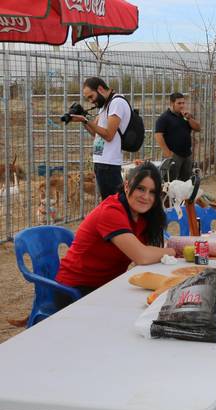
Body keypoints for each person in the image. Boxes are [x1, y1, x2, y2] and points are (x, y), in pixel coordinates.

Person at [54, 162, 175, 309]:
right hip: (75, 289)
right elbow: (142, 256)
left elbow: (147, 254)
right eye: (140, 188)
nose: (146, 196)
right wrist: (173, 251)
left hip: (107, 285)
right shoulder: (111, 211)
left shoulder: (143, 216)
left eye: (152, 192)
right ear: (127, 186)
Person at [71, 77, 130, 200]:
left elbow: (108, 135)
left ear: (100, 89)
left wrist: (85, 120)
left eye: (91, 96)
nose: (91, 101)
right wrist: (83, 120)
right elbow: (96, 133)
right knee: (109, 202)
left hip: (109, 163)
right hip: (101, 162)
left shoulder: (116, 103)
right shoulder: (105, 105)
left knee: (114, 203)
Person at [154, 92, 201, 182]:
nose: (182, 106)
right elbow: (158, 135)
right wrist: (167, 153)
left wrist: (189, 118)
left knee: (186, 182)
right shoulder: (164, 118)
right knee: (170, 182)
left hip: (187, 154)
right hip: (174, 155)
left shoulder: (186, 116)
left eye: (183, 103)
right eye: (179, 103)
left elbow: (198, 128)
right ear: (172, 103)